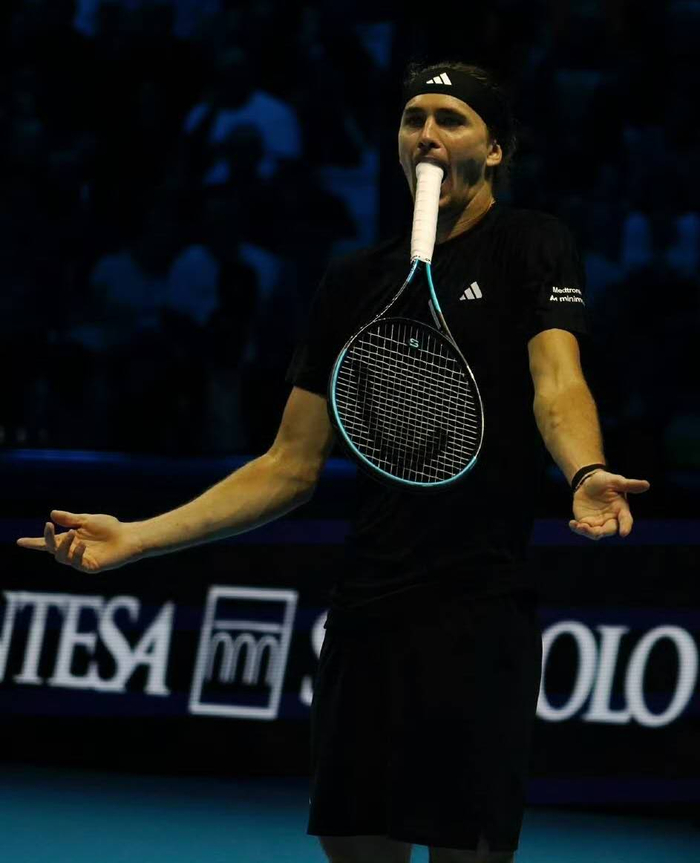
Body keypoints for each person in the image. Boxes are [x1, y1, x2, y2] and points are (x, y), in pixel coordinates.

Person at [17, 61, 650, 863]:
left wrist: (585, 472)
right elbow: (288, 464)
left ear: (495, 150)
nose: (427, 134)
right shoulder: (354, 281)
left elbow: (557, 383)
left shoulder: (533, 244)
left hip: (479, 610)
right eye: (413, 118)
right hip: (366, 611)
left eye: (451, 119)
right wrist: (139, 536)